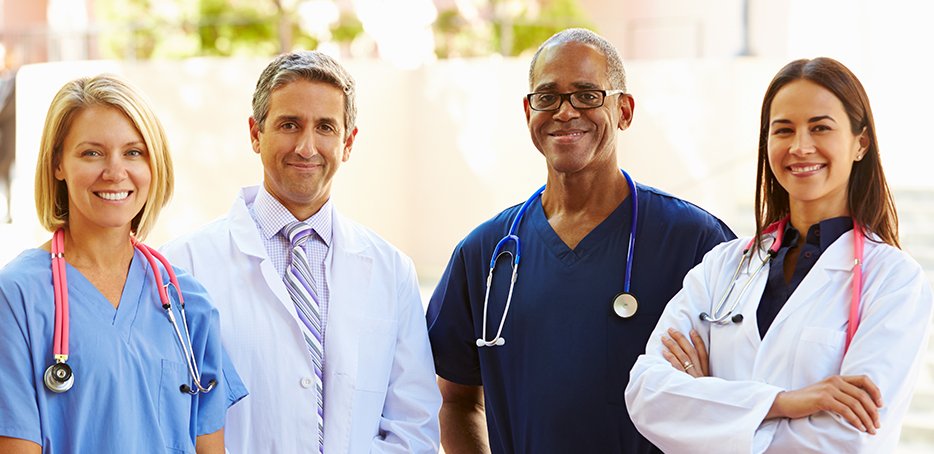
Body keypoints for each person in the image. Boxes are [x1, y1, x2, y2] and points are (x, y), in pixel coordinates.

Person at [426, 28, 735, 454]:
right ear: (528, 111)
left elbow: (740, 388)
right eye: (547, 96)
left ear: (624, 110)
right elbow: (455, 400)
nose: (565, 111)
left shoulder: (695, 242)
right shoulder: (484, 253)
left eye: (588, 95)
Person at [625, 57, 934, 453]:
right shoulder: (723, 265)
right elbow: (647, 394)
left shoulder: (894, 281)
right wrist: (784, 402)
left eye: (820, 127)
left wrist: (709, 403)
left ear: (861, 143)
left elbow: (847, 440)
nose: (800, 147)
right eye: (783, 130)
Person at [161, 51, 442, 453]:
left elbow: (414, 427)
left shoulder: (392, 270)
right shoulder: (183, 266)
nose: (307, 147)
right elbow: (170, 419)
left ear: (348, 142)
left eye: (325, 127)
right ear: (256, 133)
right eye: (289, 124)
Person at [0, 74, 247, 453]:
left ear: (154, 166)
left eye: (134, 152)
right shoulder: (18, 296)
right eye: (92, 153)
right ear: (57, 164)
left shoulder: (186, 302)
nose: (115, 172)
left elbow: (209, 447)